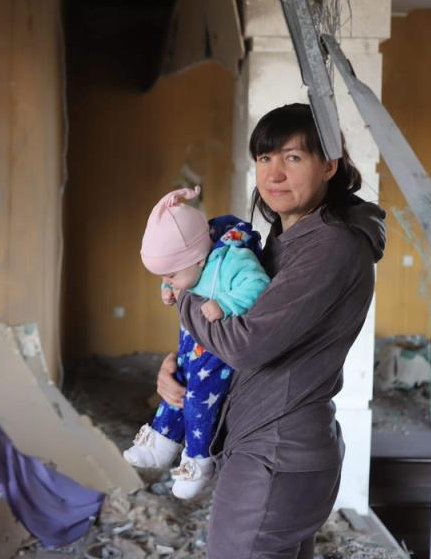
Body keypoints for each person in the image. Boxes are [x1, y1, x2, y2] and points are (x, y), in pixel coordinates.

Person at [157, 103, 386, 558]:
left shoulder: (330, 246)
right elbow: (233, 327)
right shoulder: (283, 241)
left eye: (293, 158)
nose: (274, 174)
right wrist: (179, 367)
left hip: (277, 455)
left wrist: (182, 294)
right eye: (265, 159)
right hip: (269, 449)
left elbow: (244, 342)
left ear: (329, 165)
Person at [124, 187, 270, 499]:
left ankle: (197, 460)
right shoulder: (191, 266)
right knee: (176, 383)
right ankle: (161, 441)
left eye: (170, 275)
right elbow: (179, 279)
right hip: (192, 344)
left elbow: (259, 285)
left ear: (198, 258)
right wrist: (169, 287)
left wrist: (226, 304)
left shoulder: (232, 261)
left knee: (199, 401)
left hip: (219, 355)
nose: (167, 281)